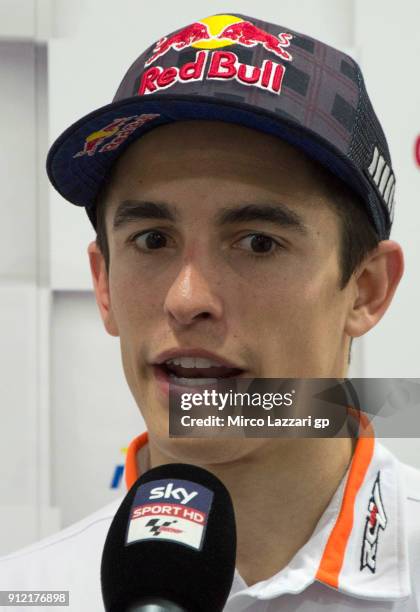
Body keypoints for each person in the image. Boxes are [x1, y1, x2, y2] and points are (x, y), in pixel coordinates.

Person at [1, 12, 419, 611]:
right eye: (152, 240)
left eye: (257, 242)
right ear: (105, 285)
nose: (187, 299)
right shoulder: (23, 593)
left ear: (367, 289)